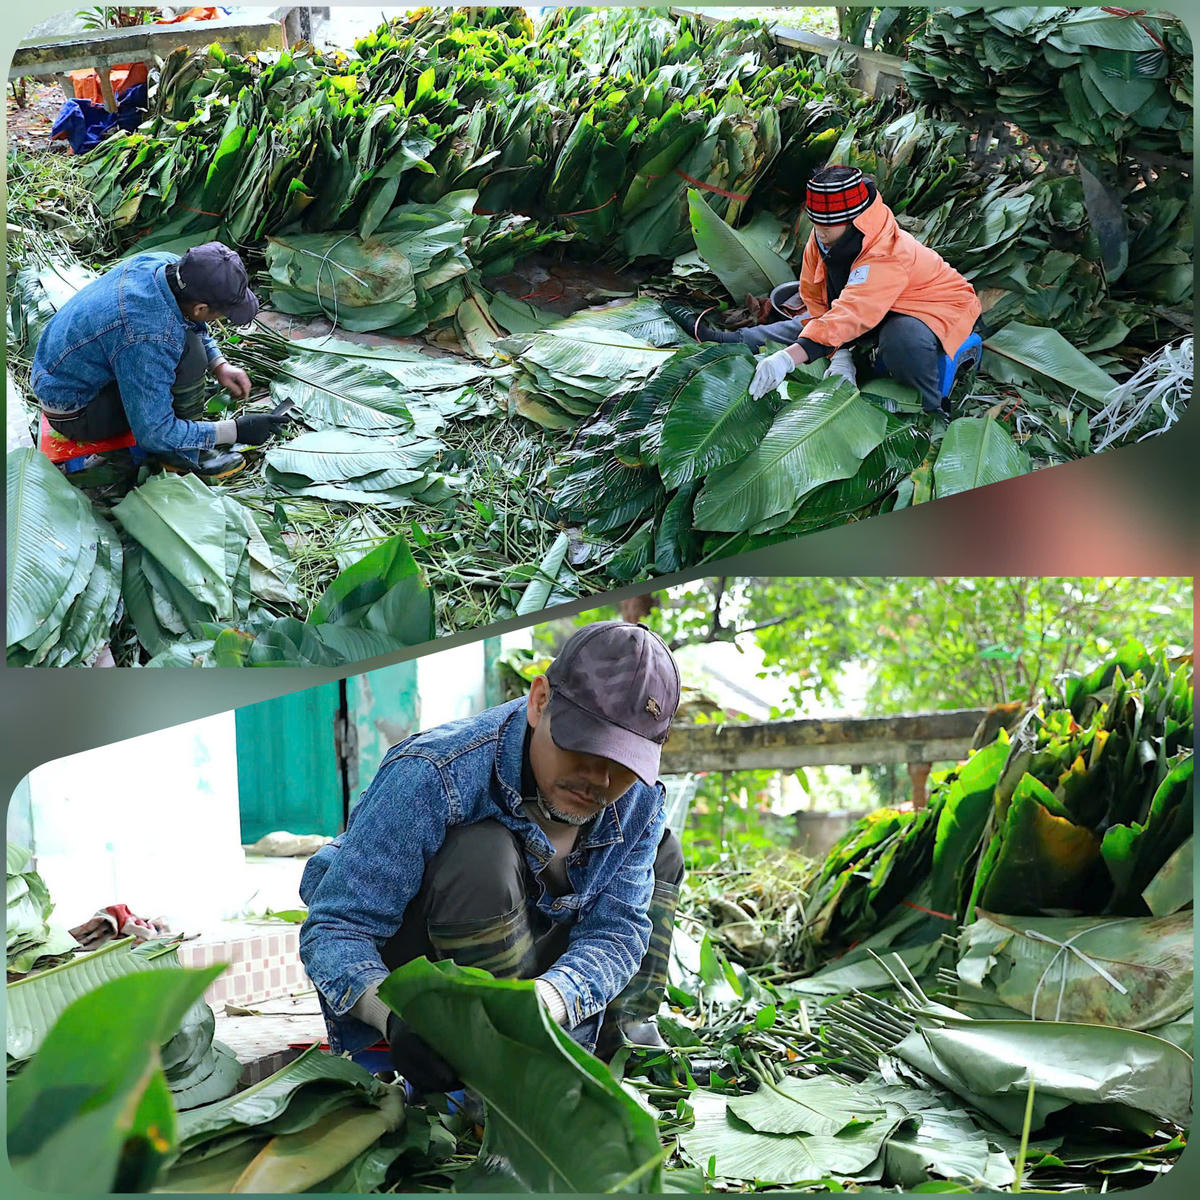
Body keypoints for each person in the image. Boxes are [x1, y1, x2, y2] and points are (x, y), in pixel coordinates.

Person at [299, 620, 686, 1091]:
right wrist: (396, 1018)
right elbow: (336, 929)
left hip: (535, 976)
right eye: (584, 747)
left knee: (663, 850)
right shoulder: (431, 774)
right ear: (539, 701)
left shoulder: (638, 799)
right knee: (481, 852)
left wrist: (548, 1001)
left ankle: (613, 1043)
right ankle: (486, 1071)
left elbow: (616, 931)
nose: (599, 781)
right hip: (428, 979)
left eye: (623, 765)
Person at [666, 165, 982, 416]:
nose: (819, 235)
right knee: (810, 329)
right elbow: (819, 305)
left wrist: (788, 359)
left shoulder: (887, 250)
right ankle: (731, 341)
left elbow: (852, 314)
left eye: (827, 228)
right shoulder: (824, 239)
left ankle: (929, 409)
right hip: (868, 309)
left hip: (931, 306)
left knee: (902, 339)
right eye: (816, 225)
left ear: (855, 221)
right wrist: (839, 352)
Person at [31, 242, 290, 479]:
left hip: (58, 371)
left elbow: (187, 321)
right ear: (201, 309)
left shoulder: (164, 266)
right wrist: (234, 430)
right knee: (187, 355)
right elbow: (154, 432)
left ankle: (184, 431)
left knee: (188, 348)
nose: (220, 319)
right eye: (222, 314)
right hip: (76, 411)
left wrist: (219, 364)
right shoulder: (148, 335)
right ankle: (182, 457)